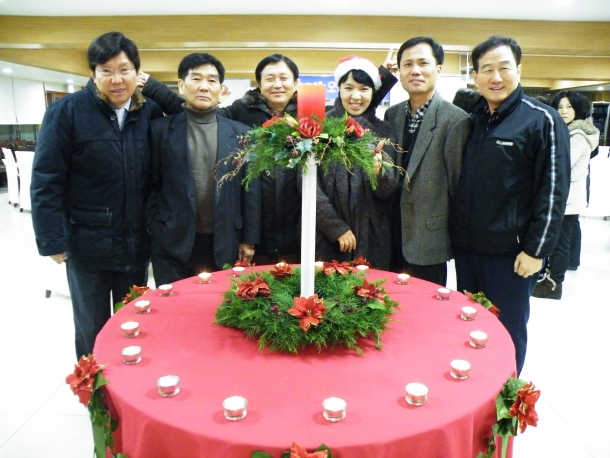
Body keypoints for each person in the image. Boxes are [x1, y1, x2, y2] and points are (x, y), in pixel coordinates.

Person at [30, 32, 163, 359]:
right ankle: (94, 387)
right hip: (86, 243)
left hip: (135, 244)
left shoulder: (149, 112)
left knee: (133, 323)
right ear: (93, 73)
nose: (117, 80)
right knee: (92, 328)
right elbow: (46, 179)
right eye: (106, 71)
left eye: (125, 70)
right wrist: (51, 241)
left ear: (138, 73)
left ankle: (128, 387)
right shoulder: (67, 111)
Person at [450, 36, 570, 374]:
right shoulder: (473, 118)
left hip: (512, 256)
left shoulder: (541, 120)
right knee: (469, 327)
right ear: (475, 76)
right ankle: (474, 392)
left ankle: (505, 396)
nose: (496, 77)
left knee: (507, 332)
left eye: (504, 68)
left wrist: (536, 250)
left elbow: (553, 191)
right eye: (487, 69)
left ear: (519, 69)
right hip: (468, 250)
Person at [139, 54, 301, 265]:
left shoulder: (312, 115)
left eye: (284, 78)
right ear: (259, 85)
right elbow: (198, 114)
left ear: (296, 83)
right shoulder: (241, 112)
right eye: (269, 79)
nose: (277, 84)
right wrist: (154, 88)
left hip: (295, 226)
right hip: (244, 232)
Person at [146, 53, 260, 285]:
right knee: (174, 304)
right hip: (171, 242)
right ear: (181, 85)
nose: (204, 87)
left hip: (225, 242)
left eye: (212, 80)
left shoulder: (242, 134)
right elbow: (150, 184)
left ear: (221, 89)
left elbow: (250, 191)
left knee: (218, 305)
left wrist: (249, 239)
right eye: (196, 79)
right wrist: (153, 226)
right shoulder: (159, 130)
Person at [384, 36, 471, 286]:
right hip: (390, 234)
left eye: (423, 63)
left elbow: (457, 187)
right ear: (399, 71)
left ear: (438, 69)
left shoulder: (455, 120)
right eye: (408, 64)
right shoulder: (393, 114)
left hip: (428, 239)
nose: (415, 71)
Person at [315, 56, 398, 268]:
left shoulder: (384, 130)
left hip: (372, 235)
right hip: (325, 235)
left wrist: (378, 173)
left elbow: (387, 191)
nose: (356, 96)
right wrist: (335, 227)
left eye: (364, 89)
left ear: (373, 93)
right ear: (339, 89)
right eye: (348, 88)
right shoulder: (320, 127)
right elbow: (308, 185)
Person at [533, 91, 599, 299]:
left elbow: (562, 164)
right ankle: (548, 277)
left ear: (578, 109)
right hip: (562, 195)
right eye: (560, 107)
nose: (564, 111)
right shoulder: (565, 131)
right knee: (555, 240)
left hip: (568, 197)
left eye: (569, 107)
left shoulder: (578, 135)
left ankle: (554, 284)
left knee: (560, 242)